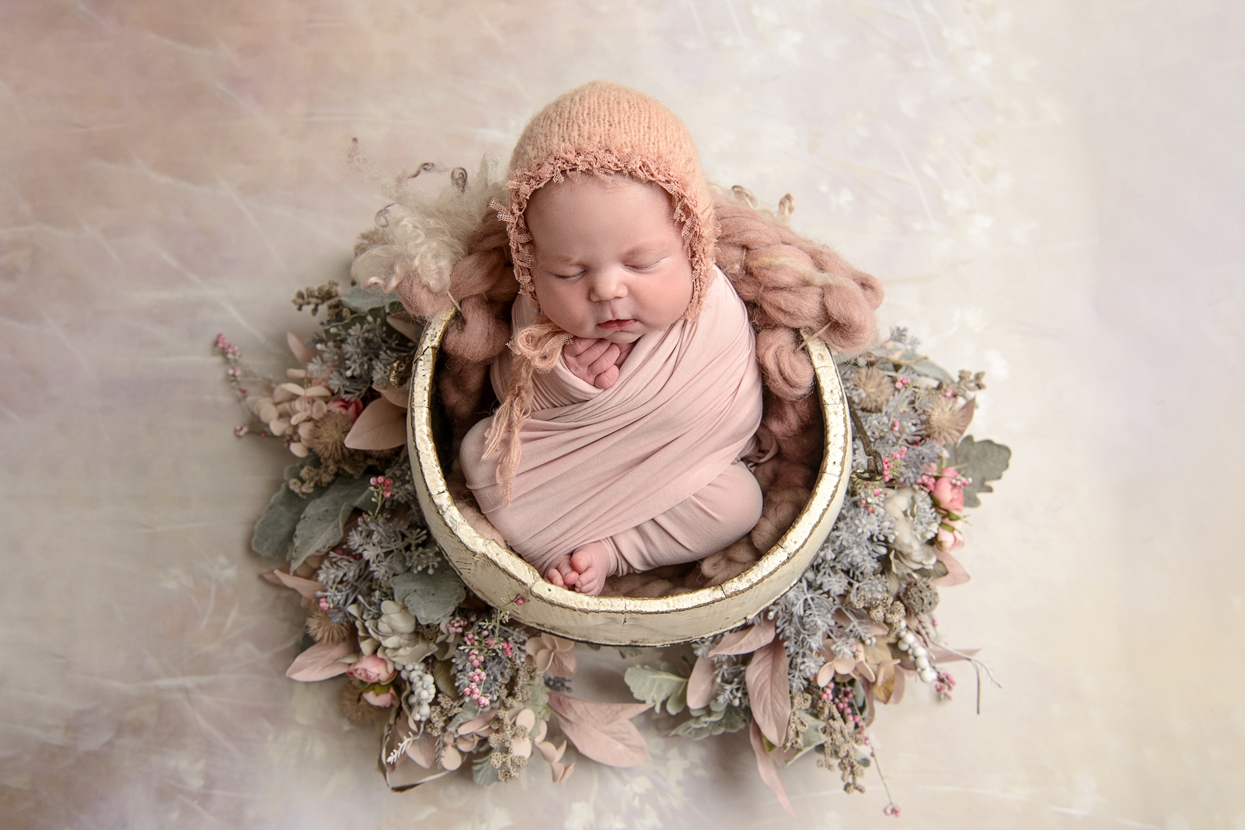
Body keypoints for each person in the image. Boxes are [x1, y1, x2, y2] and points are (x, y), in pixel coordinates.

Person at [375, 80, 886, 596]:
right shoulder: (534, 314)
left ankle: (616, 550)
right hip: (559, 470)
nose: (606, 289)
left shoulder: (713, 309)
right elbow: (511, 395)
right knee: (479, 455)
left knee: (737, 505)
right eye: (569, 273)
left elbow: (729, 403)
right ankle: (574, 543)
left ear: (692, 243)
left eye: (641, 263)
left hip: (682, 472)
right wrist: (564, 380)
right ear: (530, 265)